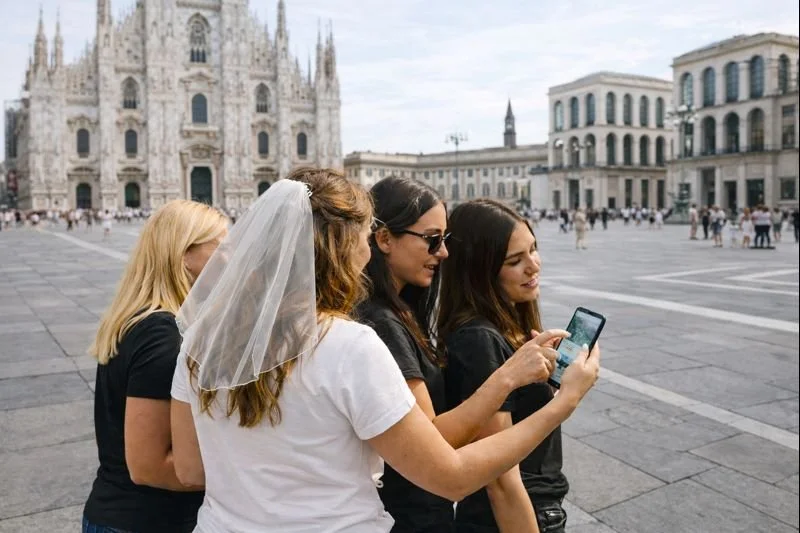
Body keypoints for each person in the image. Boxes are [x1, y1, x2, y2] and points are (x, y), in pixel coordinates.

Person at [170, 168, 600, 533]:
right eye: (364, 234)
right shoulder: (347, 345)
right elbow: (450, 478)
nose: (367, 247)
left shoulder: (199, 341)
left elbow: (190, 470)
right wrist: (564, 402)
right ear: (342, 249)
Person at [358, 177, 567, 532]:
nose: (443, 252)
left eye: (446, 240)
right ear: (384, 239)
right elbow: (434, 442)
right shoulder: (385, 323)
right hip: (414, 518)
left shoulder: (405, 314)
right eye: (433, 239)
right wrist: (524, 382)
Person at [439, 199, 594, 533]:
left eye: (533, 250)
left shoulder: (501, 328)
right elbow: (501, 483)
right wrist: (569, 397)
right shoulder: (478, 340)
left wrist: (543, 382)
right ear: (480, 271)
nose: (533, 266)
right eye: (515, 260)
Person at [83, 200, 229, 533]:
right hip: (144, 521)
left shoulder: (143, 319)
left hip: (121, 514)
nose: (230, 259)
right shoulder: (161, 335)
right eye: (220, 247)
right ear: (184, 256)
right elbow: (149, 467)